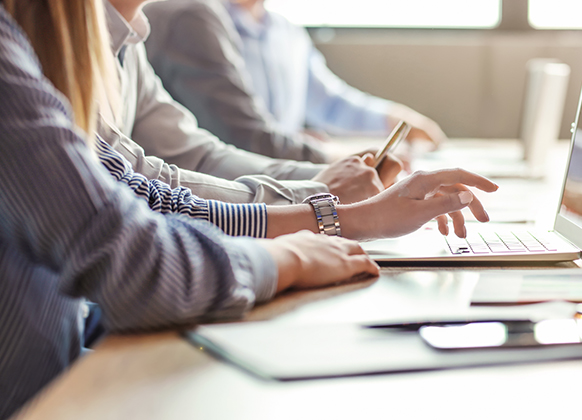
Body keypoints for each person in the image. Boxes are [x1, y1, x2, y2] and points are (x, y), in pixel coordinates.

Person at [0, 1, 497, 417]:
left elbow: (149, 188)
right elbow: (142, 256)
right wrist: (303, 242)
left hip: (64, 363)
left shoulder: (100, 38)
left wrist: (338, 209)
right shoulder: (32, 49)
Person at [101, 0, 403, 207]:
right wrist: (315, 193)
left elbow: (200, 156)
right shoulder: (190, 13)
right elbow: (148, 182)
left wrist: (345, 178)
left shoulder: (131, 35)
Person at [142, 0, 447, 163]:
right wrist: (341, 155)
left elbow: (327, 101)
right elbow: (247, 137)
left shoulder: (285, 31)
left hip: (284, 166)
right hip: (235, 180)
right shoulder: (193, 17)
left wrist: (396, 119)